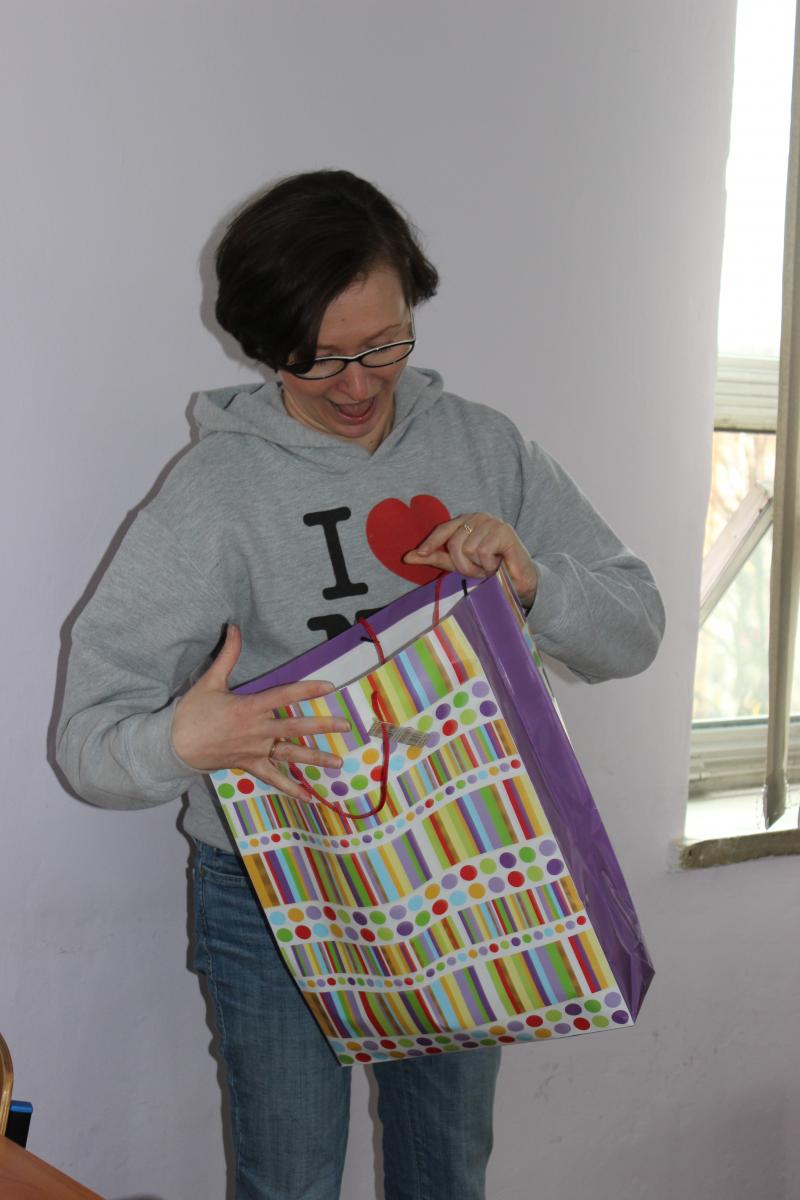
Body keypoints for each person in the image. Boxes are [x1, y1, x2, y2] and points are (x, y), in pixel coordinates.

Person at [56, 169, 665, 1200]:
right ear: (263, 347)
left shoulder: (484, 446)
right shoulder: (214, 495)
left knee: (446, 1176)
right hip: (274, 895)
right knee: (290, 1185)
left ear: (414, 308)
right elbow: (86, 741)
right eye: (317, 358)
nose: (354, 384)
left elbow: (635, 625)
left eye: (383, 346)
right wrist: (185, 742)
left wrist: (534, 584)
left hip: (466, 868)